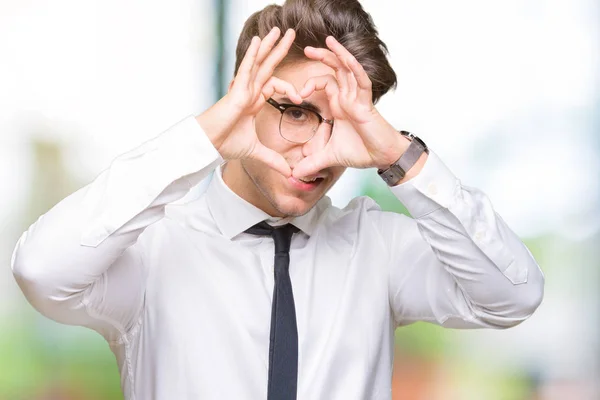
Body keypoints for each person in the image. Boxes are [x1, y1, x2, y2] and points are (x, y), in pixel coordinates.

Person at [11, 0, 545, 399]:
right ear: (246, 104)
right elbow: (42, 270)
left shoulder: (378, 245)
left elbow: (513, 294)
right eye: (297, 112)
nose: (318, 151)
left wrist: (395, 151)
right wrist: (202, 140)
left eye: (344, 124)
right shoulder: (155, 245)